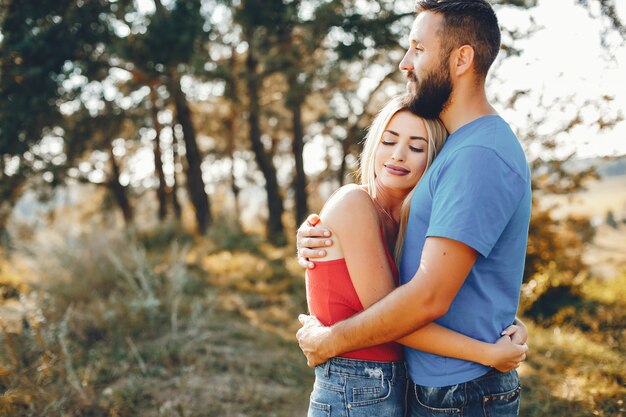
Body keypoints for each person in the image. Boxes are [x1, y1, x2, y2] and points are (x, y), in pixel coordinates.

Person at [296, 1, 533, 416]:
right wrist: (327, 234)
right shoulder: (459, 147)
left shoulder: (477, 154)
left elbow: (428, 298)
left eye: (418, 48)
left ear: (461, 59)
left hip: (461, 389)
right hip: (440, 383)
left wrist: (330, 340)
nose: (406, 63)